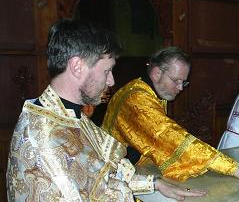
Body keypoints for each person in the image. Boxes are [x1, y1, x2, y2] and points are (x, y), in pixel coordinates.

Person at [6, 19, 207, 201]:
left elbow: (105, 175)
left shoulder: (71, 116)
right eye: (107, 70)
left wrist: (154, 184)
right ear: (77, 67)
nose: (111, 81)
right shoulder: (43, 137)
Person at [101, 47, 239, 184]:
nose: (180, 88)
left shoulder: (142, 89)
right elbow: (169, 135)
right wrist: (232, 168)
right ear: (156, 73)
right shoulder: (136, 99)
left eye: (183, 82)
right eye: (176, 81)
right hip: (115, 177)